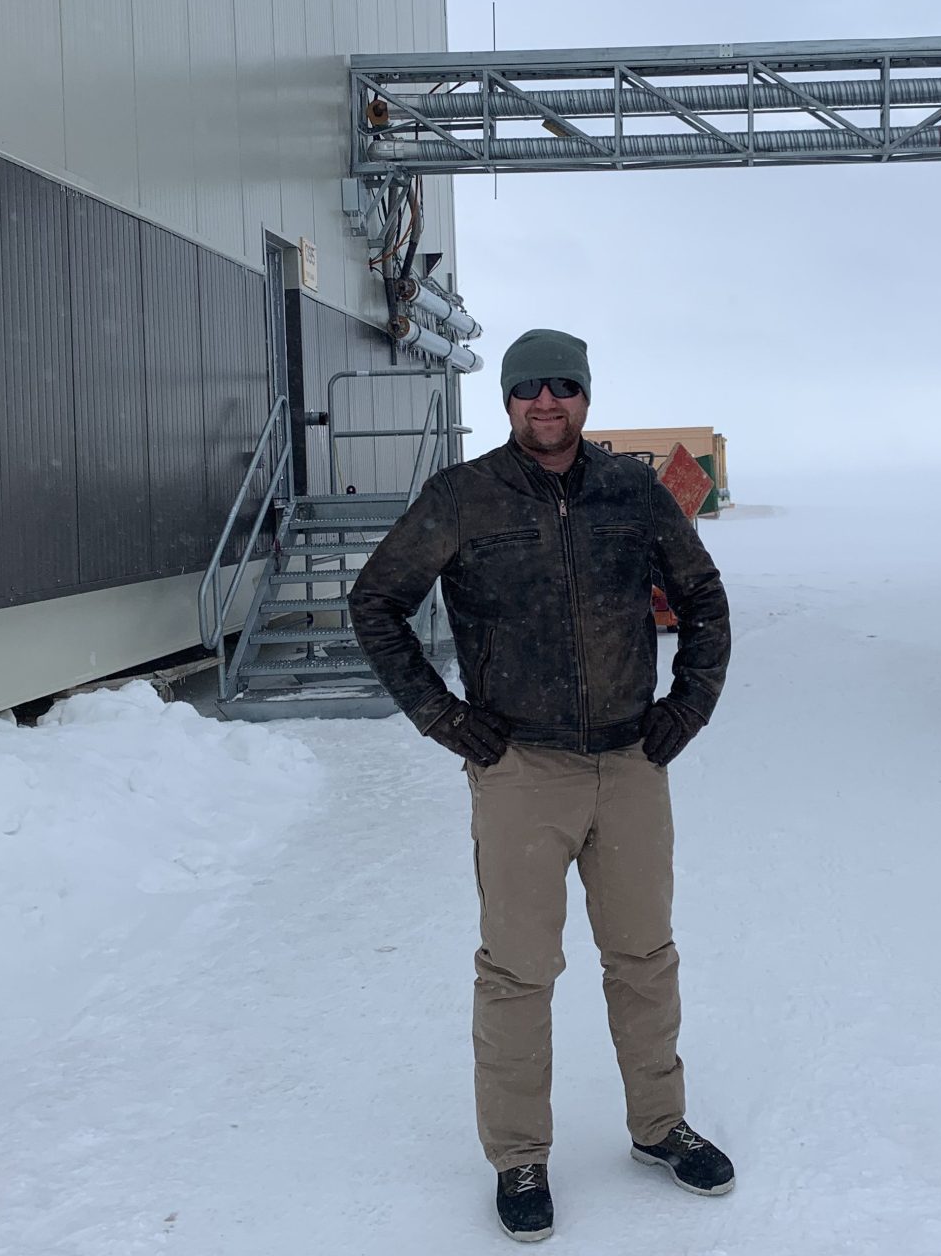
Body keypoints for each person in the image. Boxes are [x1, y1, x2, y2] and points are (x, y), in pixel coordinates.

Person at [349, 327, 734, 1244]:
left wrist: (688, 707)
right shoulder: (463, 497)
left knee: (645, 955)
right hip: (523, 769)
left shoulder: (632, 492)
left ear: (586, 397)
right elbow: (376, 603)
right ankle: (519, 1154)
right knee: (519, 971)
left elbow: (705, 599)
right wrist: (443, 718)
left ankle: (659, 1126)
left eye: (562, 385)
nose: (545, 401)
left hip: (631, 764)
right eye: (528, 388)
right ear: (508, 401)